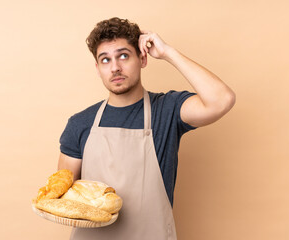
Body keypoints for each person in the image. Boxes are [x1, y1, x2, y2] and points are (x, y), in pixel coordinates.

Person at [58, 17, 235, 240]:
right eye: (105, 60)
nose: (115, 67)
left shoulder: (168, 110)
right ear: (97, 68)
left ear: (142, 58)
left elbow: (222, 100)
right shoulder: (80, 124)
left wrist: (168, 52)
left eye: (124, 56)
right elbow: (63, 194)